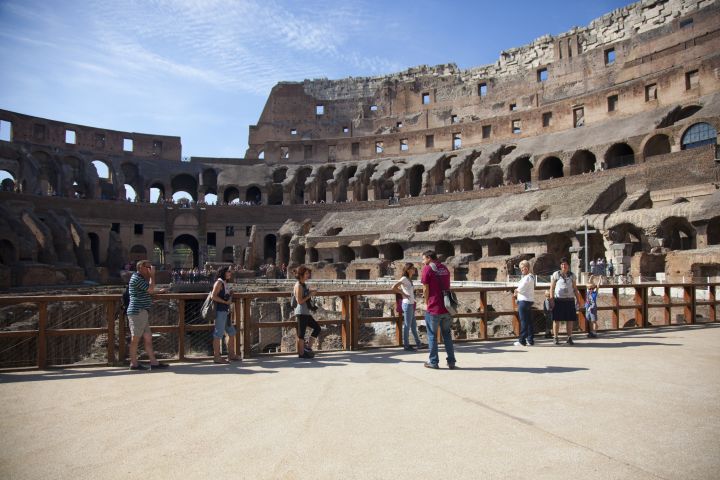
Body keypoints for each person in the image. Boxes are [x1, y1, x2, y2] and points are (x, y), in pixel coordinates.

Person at [126, 260, 169, 371]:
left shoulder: (140, 278)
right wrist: (152, 276)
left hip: (142, 312)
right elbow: (150, 289)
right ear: (140, 267)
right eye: (147, 267)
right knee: (135, 339)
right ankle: (134, 364)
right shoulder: (136, 278)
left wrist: (158, 292)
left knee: (148, 338)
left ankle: (154, 363)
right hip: (137, 312)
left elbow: (148, 291)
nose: (150, 269)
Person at [420, 250, 457, 369]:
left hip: (434, 307)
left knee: (432, 335)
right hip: (446, 307)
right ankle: (451, 361)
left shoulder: (428, 268)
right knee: (447, 335)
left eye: (423, 259)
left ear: (429, 258)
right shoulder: (444, 268)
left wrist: (425, 303)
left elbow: (425, 289)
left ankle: (433, 362)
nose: (423, 261)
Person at [210, 266, 240, 363]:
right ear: (223, 272)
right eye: (228, 272)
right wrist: (224, 302)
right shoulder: (219, 282)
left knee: (232, 332)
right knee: (218, 334)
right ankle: (217, 357)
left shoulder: (224, 283)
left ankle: (231, 355)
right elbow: (213, 296)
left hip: (225, 312)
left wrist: (230, 294)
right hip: (220, 311)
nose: (230, 273)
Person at [549, 257, 581, 345]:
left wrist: (578, 300)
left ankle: (569, 337)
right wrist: (551, 299)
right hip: (558, 300)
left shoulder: (572, 275)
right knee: (556, 320)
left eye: (565, 264)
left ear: (568, 265)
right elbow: (551, 288)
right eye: (562, 264)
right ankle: (555, 337)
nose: (564, 266)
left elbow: (575, 289)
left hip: (569, 300)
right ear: (560, 265)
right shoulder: (556, 274)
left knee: (570, 320)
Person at [392, 263, 423, 351]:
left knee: (413, 326)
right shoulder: (404, 278)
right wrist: (403, 293)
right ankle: (406, 345)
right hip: (407, 304)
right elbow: (393, 287)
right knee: (407, 325)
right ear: (408, 269)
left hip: (411, 304)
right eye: (413, 268)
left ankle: (418, 344)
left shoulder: (409, 279)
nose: (414, 270)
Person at [293, 265, 321, 359]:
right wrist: (310, 295)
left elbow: (305, 291)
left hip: (305, 312)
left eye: (308, 273)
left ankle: (308, 348)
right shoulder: (298, 286)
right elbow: (300, 301)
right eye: (306, 273)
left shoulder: (303, 285)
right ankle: (301, 354)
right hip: (301, 312)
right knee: (301, 334)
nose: (308, 275)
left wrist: (311, 290)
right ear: (301, 274)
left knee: (317, 328)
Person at [513, 260, 535, 346]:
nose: (521, 270)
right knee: (529, 321)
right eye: (521, 269)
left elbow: (521, 288)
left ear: (526, 268)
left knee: (523, 321)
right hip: (529, 301)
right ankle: (530, 339)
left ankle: (522, 340)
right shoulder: (531, 277)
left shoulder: (527, 278)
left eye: (522, 269)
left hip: (523, 301)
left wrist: (516, 291)